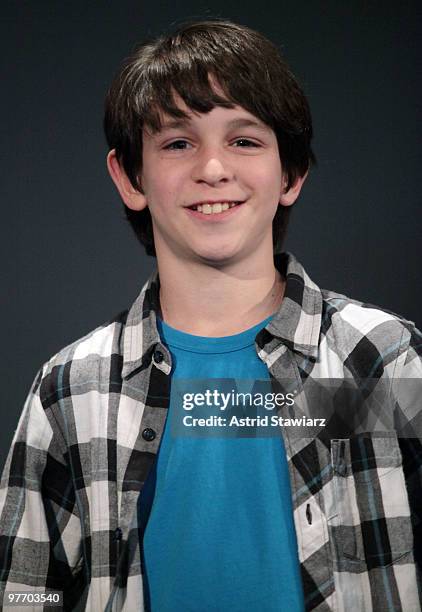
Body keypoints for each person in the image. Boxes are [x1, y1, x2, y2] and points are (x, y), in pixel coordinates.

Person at [1, 19, 421, 612]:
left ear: (291, 173)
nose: (213, 169)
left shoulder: (375, 360)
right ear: (130, 177)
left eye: (244, 140)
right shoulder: (73, 389)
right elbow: (24, 590)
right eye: (177, 143)